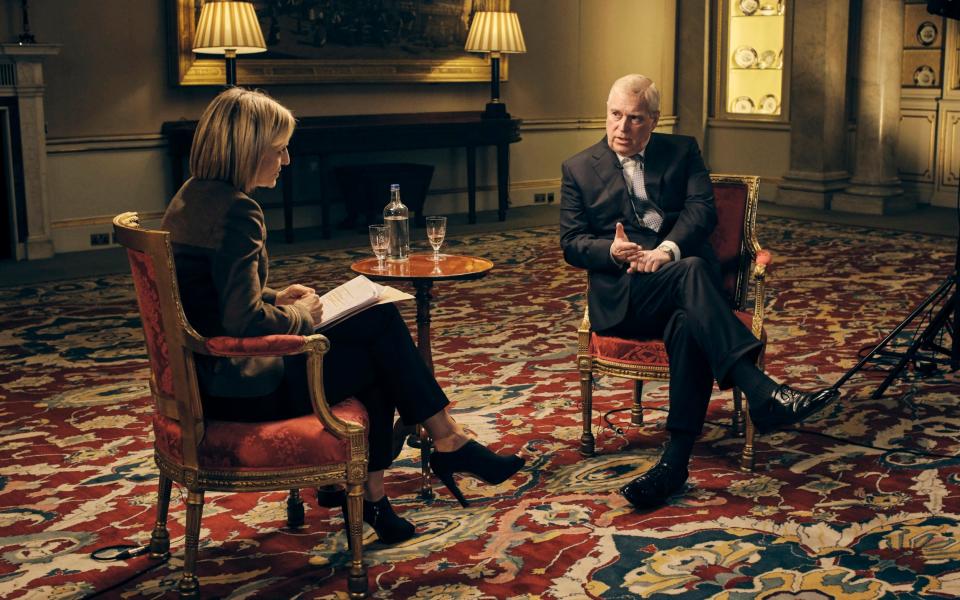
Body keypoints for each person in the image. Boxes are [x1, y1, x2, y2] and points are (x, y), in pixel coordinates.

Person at [161, 87, 524, 543]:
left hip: (203, 380)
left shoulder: (192, 197)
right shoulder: (238, 211)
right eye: (279, 149)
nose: (287, 160)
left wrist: (272, 295)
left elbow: (207, 293)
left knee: (375, 331)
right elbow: (242, 323)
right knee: (378, 340)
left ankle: (387, 487)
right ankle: (441, 445)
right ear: (249, 151)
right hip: (242, 388)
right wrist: (299, 314)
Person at [559, 74, 839, 509]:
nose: (621, 127)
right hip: (626, 297)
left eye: (634, 119)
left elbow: (701, 211)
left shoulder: (682, 150)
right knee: (690, 272)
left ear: (653, 120)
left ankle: (674, 464)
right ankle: (760, 391)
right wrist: (611, 251)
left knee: (689, 319)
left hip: (682, 287)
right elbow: (571, 242)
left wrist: (667, 251)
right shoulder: (578, 167)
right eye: (615, 115)